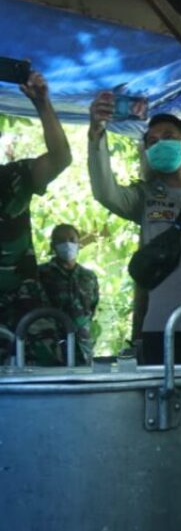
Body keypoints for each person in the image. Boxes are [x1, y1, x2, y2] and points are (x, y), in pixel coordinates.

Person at [87, 101, 181, 363]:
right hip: (164, 324)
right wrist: (97, 132)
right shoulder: (144, 198)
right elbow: (105, 191)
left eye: (168, 137)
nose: (159, 144)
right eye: (152, 142)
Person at [0, 69, 72, 365]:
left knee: (42, 401)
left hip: (23, 313)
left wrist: (42, 104)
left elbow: (60, 158)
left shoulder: (10, 178)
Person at [38, 224, 99, 365]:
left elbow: (92, 308)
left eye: (72, 239)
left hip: (83, 347)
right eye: (61, 240)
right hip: (52, 348)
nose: (67, 244)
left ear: (79, 243)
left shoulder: (89, 277)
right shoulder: (41, 274)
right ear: (53, 246)